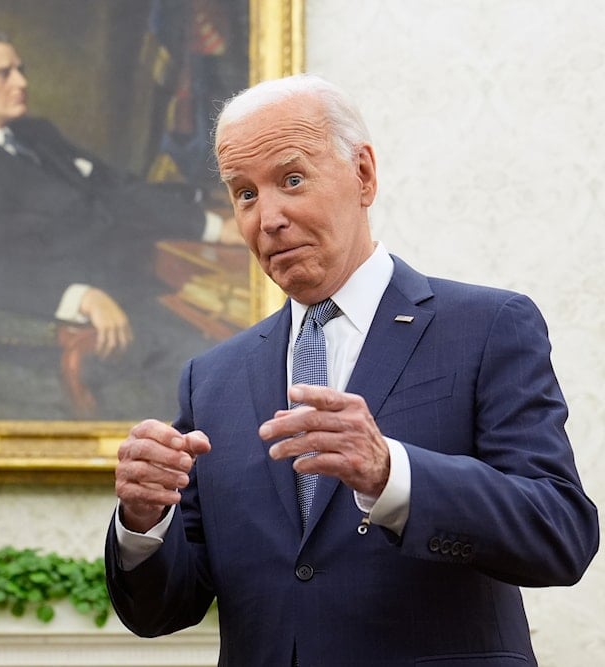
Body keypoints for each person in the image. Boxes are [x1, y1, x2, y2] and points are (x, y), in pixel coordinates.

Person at [104, 74, 599, 665]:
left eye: (291, 179)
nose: (269, 218)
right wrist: (143, 518)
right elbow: (163, 608)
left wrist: (392, 472)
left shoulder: (488, 326)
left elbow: (560, 533)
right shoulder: (211, 378)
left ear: (363, 175)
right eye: (244, 194)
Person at [0, 28, 244, 421]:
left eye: (20, 69)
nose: (21, 82)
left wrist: (210, 225)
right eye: (3, 74)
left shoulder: (37, 135)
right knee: (206, 365)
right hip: (50, 316)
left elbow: (114, 191)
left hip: (128, 285)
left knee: (224, 344)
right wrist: (77, 295)